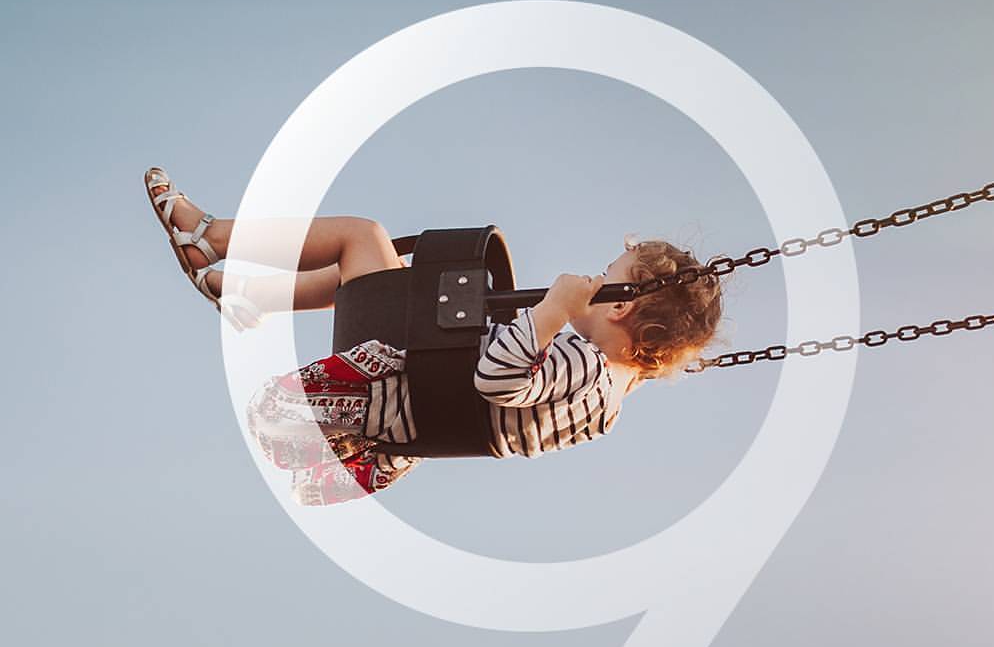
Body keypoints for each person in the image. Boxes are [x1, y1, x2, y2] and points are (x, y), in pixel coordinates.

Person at [145, 167, 725, 506]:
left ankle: (211, 236)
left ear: (621, 306)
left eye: (606, 276)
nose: (593, 279)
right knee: (385, 274)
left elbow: (497, 379)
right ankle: (249, 296)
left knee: (361, 237)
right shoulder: (605, 407)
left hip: (391, 388)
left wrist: (551, 311)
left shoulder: (586, 365)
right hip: (400, 425)